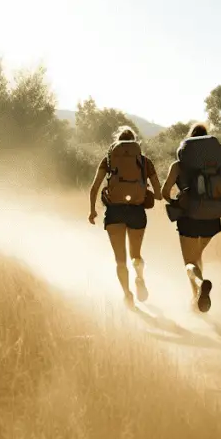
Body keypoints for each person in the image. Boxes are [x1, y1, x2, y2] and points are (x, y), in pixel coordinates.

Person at [161, 123, 221, 312]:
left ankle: (200, 286)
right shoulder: (218, 163)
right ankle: (196, 301)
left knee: (189, 263)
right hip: (212, 217)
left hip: (189, 217)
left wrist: (176, 200)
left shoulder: (179, 165)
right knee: (197, 256)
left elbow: (165, 192)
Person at [88, 126, 163, 307]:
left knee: (120, 260)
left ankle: (127, 294)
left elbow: (95, 186)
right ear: (136, 143)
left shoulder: (108, 160)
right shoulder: (145, 162)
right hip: (136, 211)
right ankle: (139, 277)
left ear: (116, 144)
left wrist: (92, 210)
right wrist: (146, 193)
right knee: (135, 254)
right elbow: (159, 194)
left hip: (114, 212)